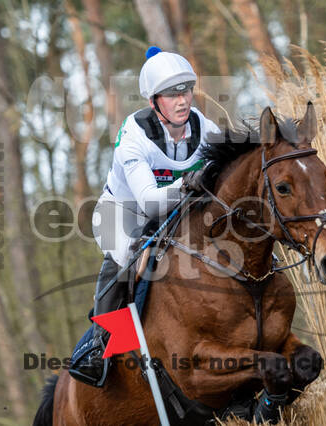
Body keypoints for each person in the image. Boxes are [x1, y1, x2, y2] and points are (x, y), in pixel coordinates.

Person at [69, 46, 220, 387]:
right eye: (171, 94)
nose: (183, 100)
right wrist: (187, 184)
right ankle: (99, 342)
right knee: (126, 253)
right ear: (153, 101)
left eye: (186, 90)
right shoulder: (134, 136)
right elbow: (150, 203)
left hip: (178, 212)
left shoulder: (204, 127)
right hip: (121, 213)